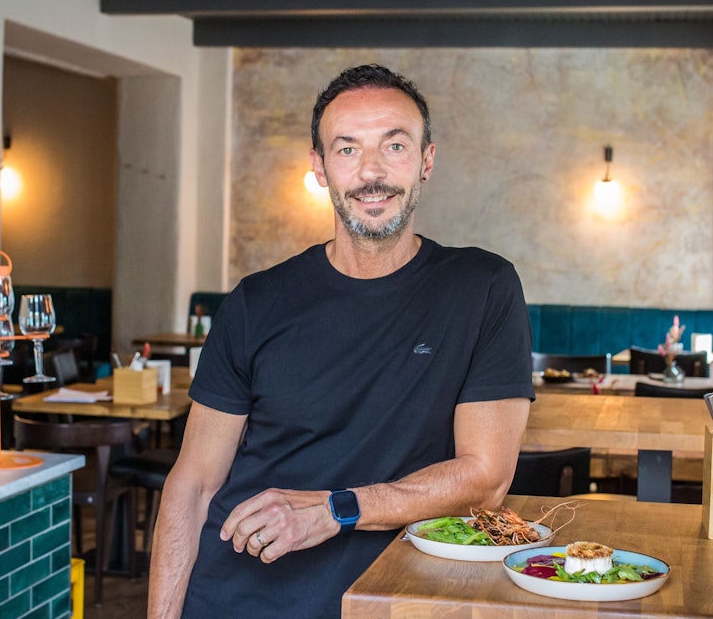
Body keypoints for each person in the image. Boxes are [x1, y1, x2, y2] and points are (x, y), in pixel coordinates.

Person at [148, 64, 534, 619]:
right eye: (347, 150)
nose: (371, 172)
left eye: (394, 145)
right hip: (235, 592)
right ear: (320, 168)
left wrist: (335, 509)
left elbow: (486, 477)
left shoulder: (482, 288)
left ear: (426, 160)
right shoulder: (256, 302)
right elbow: (193, 485)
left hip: (385, 598)